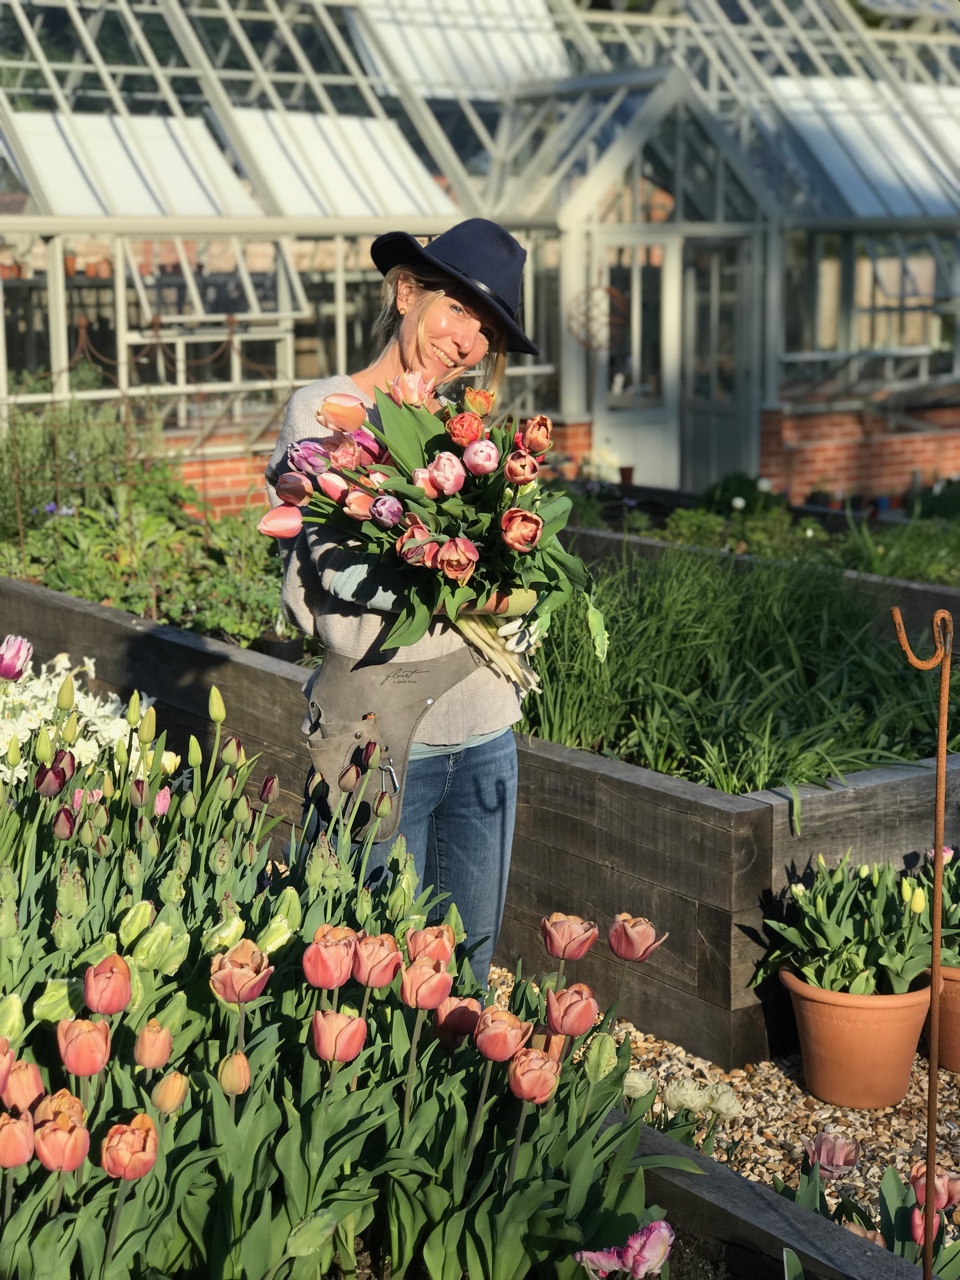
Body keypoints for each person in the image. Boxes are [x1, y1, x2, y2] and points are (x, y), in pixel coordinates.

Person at [265, 218, 540, 984]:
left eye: (487, 331)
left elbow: (519, 570)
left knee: (468, 972)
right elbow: (338, 584)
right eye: (458, 310)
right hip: (374, 734)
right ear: (407, 291)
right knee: (370, 976)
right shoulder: (323, 411)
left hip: (484, 731)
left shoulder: (468, 437)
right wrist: (480, 586)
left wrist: (506, 580)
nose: (468, 343)